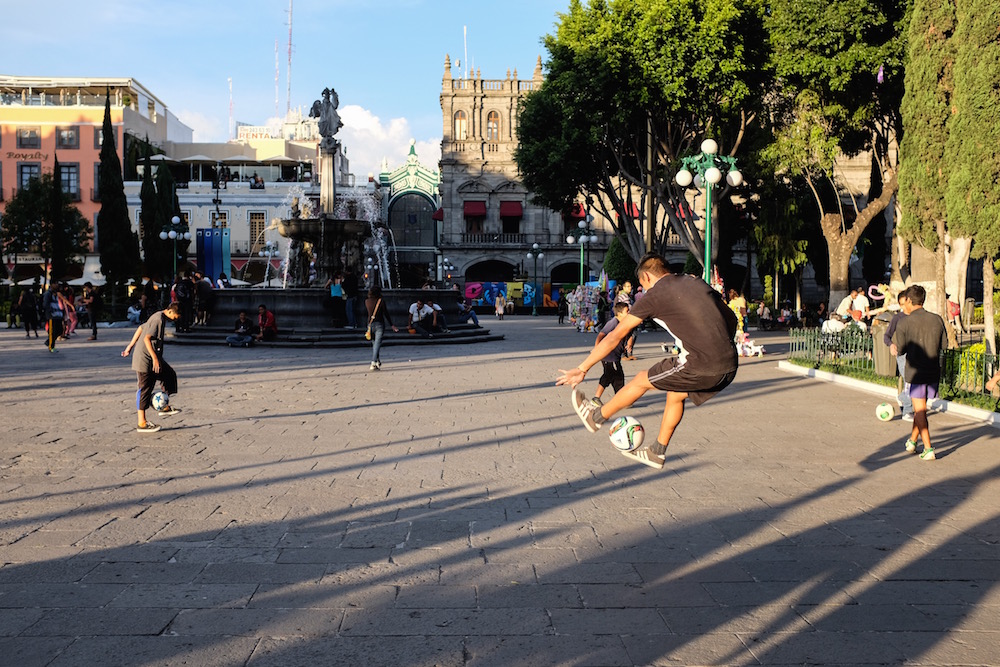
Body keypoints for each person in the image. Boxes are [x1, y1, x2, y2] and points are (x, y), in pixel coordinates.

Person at [557, 252, 739, 469]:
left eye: (642, 286)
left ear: (647, 278)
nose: (642, 291)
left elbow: (614, 336)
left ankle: (595, 417)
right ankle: (657, 452)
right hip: (729, 364)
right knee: (675, 393)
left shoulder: (655, 295)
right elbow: (732, 318)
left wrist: (583, 368)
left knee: (642, 379)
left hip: (700, 364)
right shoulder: (695, 281)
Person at [890, 285, 948, 461]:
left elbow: (901, 350)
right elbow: (944, 346)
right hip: (933, 371)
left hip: (916, 372)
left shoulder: (904, 322)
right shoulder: (937, 319)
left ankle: (928, 448)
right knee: (919, 408)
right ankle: (912, 441)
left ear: (908, 300)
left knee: (920, 410)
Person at [121, 301, 182, 434]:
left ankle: (163, 406)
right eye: (177, 315)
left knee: (169, 374)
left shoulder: (160, 316)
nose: (177, 318)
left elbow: (141, 328)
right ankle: (141, 423)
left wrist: (129, 347)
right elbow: (146, 339)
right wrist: (154, 358)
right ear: (171, 311)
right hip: (145, 358)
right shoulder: (158, 319)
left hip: (153, 356)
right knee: (145, 388)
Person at [884, 288, 914, 421]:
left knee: (914, 382)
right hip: (902, 354)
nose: (904, 307)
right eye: (901, 304)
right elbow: (886, 336)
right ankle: (907, 411)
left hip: (916, 353)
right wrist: (891, 345)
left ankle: (903, 398)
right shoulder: (898, 318)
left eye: (905, 303)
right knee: (909, 381)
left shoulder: (917, 316)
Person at [593, 302, 630, 403]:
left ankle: (620, 399)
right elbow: (601, 334)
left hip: (615, 355)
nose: (629, 313)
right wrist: (596, 348)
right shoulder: (613, 322)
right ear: (620, 313)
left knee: (618, 376)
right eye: (627, 311)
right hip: (609, 355)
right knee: (608, 375)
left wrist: (627, 345)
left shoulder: (623, 323)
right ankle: (596, 398)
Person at [365, 285, 398, 370]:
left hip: (370, 325)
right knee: (377, 344)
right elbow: (386, 314)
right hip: (379, 324)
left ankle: (377, 361)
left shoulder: (367, 301)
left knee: (374, 344)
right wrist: (392, 325)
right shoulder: (381, 301)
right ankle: (373, 362)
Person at [42, 283, 65, 352]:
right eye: (56, 284)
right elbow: (45, 304)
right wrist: (49, 313)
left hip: (57, 315)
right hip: (52, 315)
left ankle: (49, 341)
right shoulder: (48, 294)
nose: (57, 286)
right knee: (53, 331)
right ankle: (51, 347)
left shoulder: (54, 294)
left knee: (60, 330)